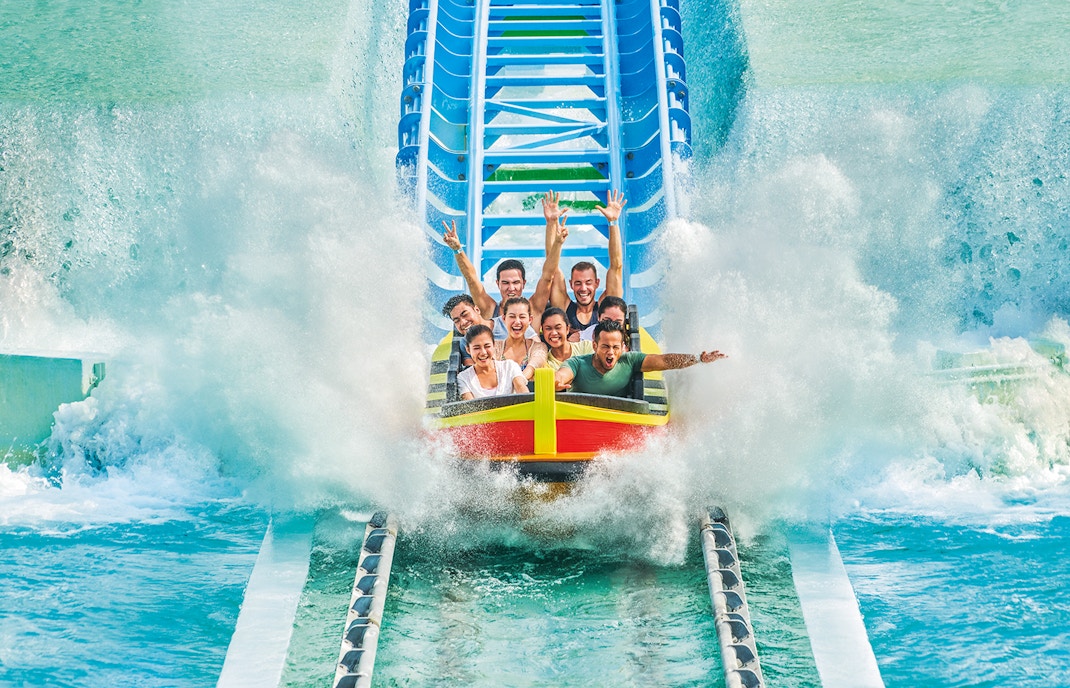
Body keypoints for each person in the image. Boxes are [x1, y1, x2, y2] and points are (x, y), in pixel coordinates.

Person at [554, 320, 727, 396]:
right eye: (605, 346)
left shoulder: (629, 361)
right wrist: (556, 382)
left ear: (622, 347)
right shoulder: (577, 363)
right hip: (582, 424)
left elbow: (664, 361)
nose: (611, 352)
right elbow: (561, 374)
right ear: (594, 346)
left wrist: (698, 358)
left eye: (615, 347)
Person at [541, 189, 626, 336]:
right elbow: (551, 267)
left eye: (588, 282)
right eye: (578, 283)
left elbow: (616, 266)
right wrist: (551, 224)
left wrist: (613, 222)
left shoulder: (606, 309)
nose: (583, 288)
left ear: (597, 283)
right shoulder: (564, 307)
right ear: (571, 284)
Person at [441, 220, 544, 338]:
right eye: (505, 283)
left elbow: (549, 275)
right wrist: (457, 249)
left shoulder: (534, 308)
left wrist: (553, 227)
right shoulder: (490, 309)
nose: (511, 288)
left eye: (516, 282)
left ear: (523, 283)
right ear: (497, 284)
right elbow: (471, 279)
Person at [457, 324, 528, 399]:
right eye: (477, 348)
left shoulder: (509, 367)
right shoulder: (463, 378)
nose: (483, 352)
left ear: (494, 345)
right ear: (468, 350)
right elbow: (470, 404)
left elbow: (521, 389)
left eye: (487, 346)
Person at [494, 297, 547, 381]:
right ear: (504, 319)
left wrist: (517, 382)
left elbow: (533, 366)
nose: (517, 322)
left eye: (522, 317)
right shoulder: (494, 347)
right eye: (512, 316)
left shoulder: (538, 347)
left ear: (530, 320)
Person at [441, 293, 494, 367]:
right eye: (457, 321)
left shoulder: (504, 325)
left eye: (465, 315)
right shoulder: (465, 343)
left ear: (477, 310)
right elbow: (471, 370)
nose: (463, 322)